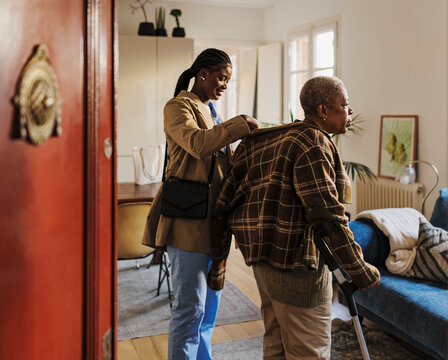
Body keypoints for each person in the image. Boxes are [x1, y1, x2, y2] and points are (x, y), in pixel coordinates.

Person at [209, 76, 380, 359]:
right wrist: (360, 270)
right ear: (323, 111)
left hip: (263, 260)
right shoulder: (312, 142)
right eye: (344, 105)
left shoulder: (274, 137)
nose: (350, 112)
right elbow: (328, 217)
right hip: (296, 267)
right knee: (308, 352)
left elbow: (228, 195)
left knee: (276, 343)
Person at [142, 48, 258, 360]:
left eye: (228, 80)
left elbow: (221, 166)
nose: (224, 84)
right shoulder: (177, 107)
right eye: (221, 77)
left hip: (214, 223)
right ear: (202, 73)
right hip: (187, 222)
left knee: (209, 308)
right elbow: (197, 144)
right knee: (189, 307)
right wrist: (238, 125)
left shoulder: (211, 111)